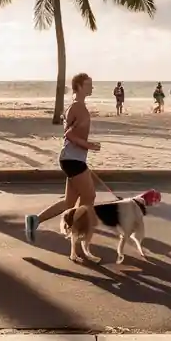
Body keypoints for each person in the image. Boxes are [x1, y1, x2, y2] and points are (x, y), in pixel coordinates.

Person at [25, 73, 108, 243]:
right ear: (78, 86)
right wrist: (88, 145)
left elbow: (71, 133)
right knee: (89, 196)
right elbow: (68, 134)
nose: (92, 87)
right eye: (88, 84)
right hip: (72, 159)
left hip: (71, 158)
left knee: (69, 202)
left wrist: (86, 145)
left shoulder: (74, 106)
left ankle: (35, 220)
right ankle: (78, 232)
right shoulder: (78, 107)